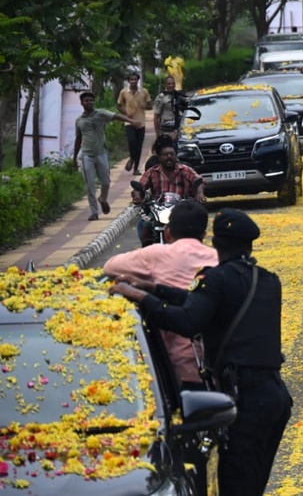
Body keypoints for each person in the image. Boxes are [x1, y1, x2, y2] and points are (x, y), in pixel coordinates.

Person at [110, 208, 292, 496]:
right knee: (253, 483)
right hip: (274, 398)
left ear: (215, 243)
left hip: (244, 400)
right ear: (249, 244)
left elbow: (188, 320)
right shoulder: (267, 279)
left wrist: (144, 298)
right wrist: (158, 289)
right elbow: (207, 302)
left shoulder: (215, 280)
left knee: (236, 486)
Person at [104, 200, 219, 388]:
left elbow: (110, 267)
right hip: (219, 367)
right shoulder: (218, 258)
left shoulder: (156, 254)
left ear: (168, 232)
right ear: (204, 235)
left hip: (181, 368)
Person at [73, 91, 141, 220]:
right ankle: (94, 211)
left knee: (106, 182)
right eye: (86, 100)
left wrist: (132, 121)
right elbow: (78, 139)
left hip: (101, 153)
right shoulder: (79, 120)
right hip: (87, 155)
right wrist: (74, 158)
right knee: (90, 185)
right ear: (81, 103)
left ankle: (103, 198)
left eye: (91, 100)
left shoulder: (101, 114)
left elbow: (117, 116)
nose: (89, 102)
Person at [117, 72, 151, 175]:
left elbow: (150, 106)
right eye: (131, 79)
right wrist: (125, 112)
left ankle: (136, 168)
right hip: (129, 122)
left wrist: (144, 105)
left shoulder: (144, 92)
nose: (133, 81)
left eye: (135, 79)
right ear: (128, 81)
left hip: (141, 122)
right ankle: (132, 158)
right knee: (132, 142)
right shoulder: (124, 92)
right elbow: (118, 105)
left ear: (138, 80)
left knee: (139, 146)